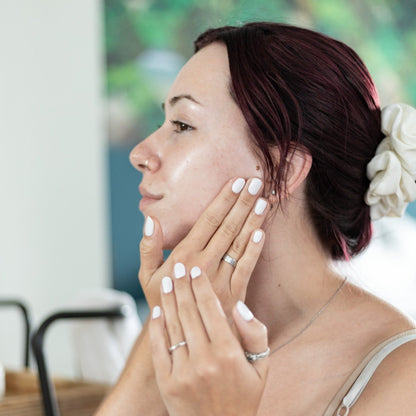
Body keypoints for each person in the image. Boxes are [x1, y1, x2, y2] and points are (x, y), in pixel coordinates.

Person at [96, 22, 416, 415]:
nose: (140, 153)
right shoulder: (181, 322)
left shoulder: (404, 379)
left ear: (281, 170)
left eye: (182, 125)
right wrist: (167, 320)